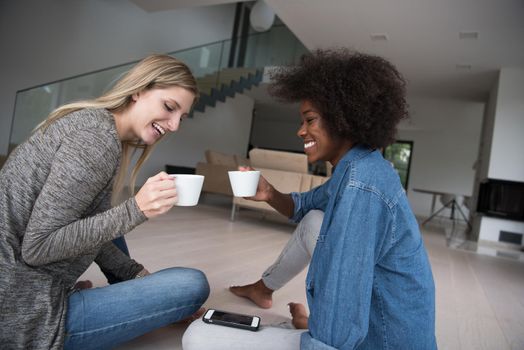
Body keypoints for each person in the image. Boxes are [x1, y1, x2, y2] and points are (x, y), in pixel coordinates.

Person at [183, 49, 436, 349]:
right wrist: (268, 193)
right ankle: (264, 291)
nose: (300, 130)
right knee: (315, 218)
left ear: (344, 119)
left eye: (310, 120)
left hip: (381, 342)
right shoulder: (358, 167)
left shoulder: (361, 185)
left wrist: (312, 335)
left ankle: (297, 322)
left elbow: (343, 302)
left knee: (198, 335)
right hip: (375, 326)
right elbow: (304, 206)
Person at [0, 54, 210, 350]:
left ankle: (130, 287)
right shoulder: (96, 142)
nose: (174, 125)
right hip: (21, 310)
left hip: (16, 286)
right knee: (191, 285)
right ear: (138, 91)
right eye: (169, 107)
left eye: (181, 117)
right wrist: (136, 210)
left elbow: (85, 225)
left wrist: (138, 277)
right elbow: (37, 247)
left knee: (107, 218)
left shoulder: (94, 125)